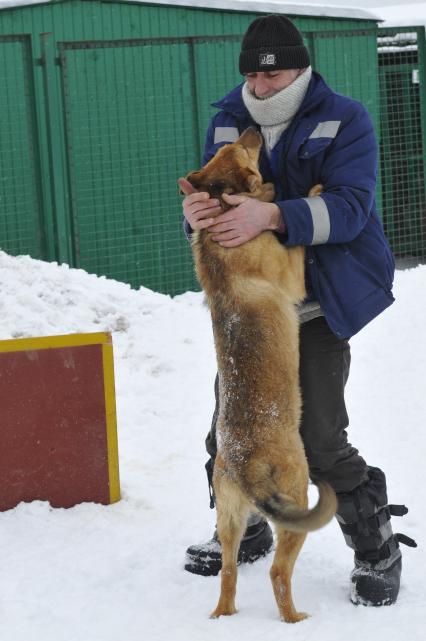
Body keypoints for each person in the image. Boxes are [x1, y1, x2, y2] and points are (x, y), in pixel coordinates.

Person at [180, 14, 416, 606]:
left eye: (273, 76)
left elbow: (353, 207)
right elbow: (211, 192)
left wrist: (274, 215)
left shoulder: (346, 118)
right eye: (251, 79)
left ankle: (375, 545)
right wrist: (191, 216)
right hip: (252, 308)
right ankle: (247, 526)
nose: (259, 89)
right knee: (228, 432)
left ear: (301, 68)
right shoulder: (227, 120)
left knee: (317, 438)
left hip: (323, 296)